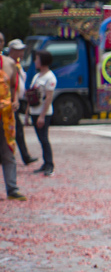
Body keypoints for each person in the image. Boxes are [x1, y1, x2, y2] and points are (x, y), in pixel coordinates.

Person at [1, 46, 26, 200]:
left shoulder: (9, 63)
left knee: (8, 152)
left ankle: (12, 188)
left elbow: (13, 86)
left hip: (6, 115)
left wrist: (15, 100)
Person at [27, 49, 56, 177]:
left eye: (37, 59)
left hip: (43, 112)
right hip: (34, 110)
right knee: (40, 138)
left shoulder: (50, 77)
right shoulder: (36, 76)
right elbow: (31, 94)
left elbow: (49, 98)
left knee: (44, 138)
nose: (35, 61)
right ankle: (45, 163)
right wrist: (27, 113)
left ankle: (49, 164)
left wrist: (42, 116)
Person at [6, 40, 35, 166]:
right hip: (10, 102)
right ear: (12, 50)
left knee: (18, 129)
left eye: (22, 50)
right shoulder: (7, 64)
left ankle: (24, 155)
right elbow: (12, 85)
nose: (22, 52)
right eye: (19, 50)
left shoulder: (18, 65)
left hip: (17, 101)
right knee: (14, 129)